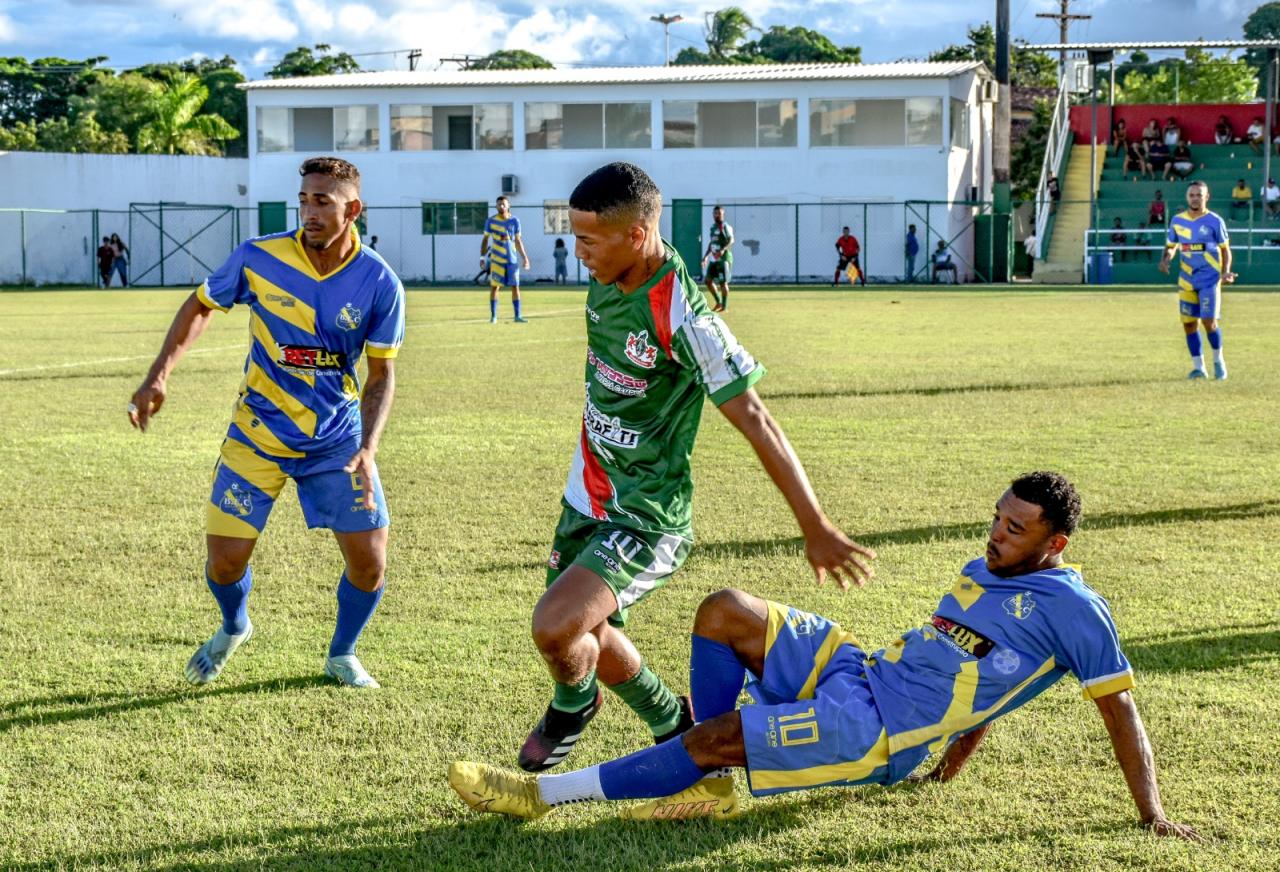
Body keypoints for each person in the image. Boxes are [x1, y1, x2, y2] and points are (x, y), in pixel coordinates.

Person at [450, 473, 1202, 842]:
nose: (995, 534)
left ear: (1055, 543)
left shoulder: (1075, 612)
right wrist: (951, 765)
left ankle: (542, 795)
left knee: (716, 737)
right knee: (724, 610)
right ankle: (710, 778)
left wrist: (1153, 814)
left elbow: (1118, 710)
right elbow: (981, 676)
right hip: (862, 671)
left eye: (1015, 529)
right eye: (997, 518)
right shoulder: (986, 570)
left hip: (874, 732)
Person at [514, 162, 874, 776]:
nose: (579, 254)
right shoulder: (608, 275)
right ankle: (670, 721)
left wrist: (814, 525)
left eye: (589, 241)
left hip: (645, 514)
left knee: (555, 626)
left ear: (637, 235)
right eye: (576, 238)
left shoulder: (686, 318)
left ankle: (574, 705)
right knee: (588, 631)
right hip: (586, 493)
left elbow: (756, 418)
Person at [126, 156, 406, 689]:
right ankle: (235, 626)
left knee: (370, 563)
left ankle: (342, 654)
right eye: (304, 200)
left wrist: (367, 448)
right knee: (224, 564)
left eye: (323, 201)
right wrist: (158, 375)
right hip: (258, 434)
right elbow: (201, 305)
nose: (309, 211)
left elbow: (380, 375)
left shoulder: (379, 282)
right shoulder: (259, 257)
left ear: (353, 210)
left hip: (337, 440)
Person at [1159, 181, 1233, 381]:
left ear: (1206, 197)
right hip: (1186, 280)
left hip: (1209, 279)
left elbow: (1225, 250)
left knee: (1209, 322)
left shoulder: (1215, 221)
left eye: (1199, 195)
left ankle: (1218, 362)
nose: (1195, 198)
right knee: (1189, 324)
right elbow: (1171, 246)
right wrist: (1166, 259)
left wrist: (1226, 272)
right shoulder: (1177, 221)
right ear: (1187, 197)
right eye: (1191, 195)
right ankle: (1199, 368)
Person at [481, 195, 531, 323]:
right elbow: (485, 239)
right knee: (495, 287)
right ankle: (493, 316)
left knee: (515, 286)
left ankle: (517, 316)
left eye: (504, 204)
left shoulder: (515, 221)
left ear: (508, 206)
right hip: (497, 261)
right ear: (496, 206)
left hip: (512, 261)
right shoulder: (491, 221)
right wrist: (482, 257)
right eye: (499, 204)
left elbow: (518, 241)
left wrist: (525, 258)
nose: (501, 206)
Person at [701, 205, 734, 311]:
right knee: (708, 281)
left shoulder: (725, 226)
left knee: (723, 283)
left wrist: (723, 250)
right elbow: (712, 243)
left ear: (723, 214)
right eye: (715, 213)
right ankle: (718, 302)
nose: (717, 215)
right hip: (714, 259)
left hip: (724, 259)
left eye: (719, 213)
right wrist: (706, 256)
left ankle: (724, 306)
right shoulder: (712, 227)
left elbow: (731, 240)